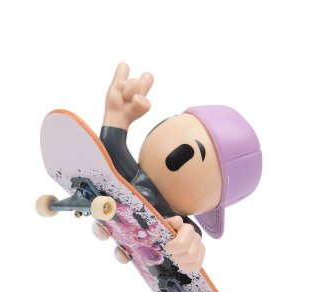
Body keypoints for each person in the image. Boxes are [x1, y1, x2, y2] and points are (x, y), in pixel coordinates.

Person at [100, 62, 262, 273]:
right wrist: (116, 117)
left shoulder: (174, 224)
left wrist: (187, 250)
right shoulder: (135, 175)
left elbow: (187, 235)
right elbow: (111, 148)